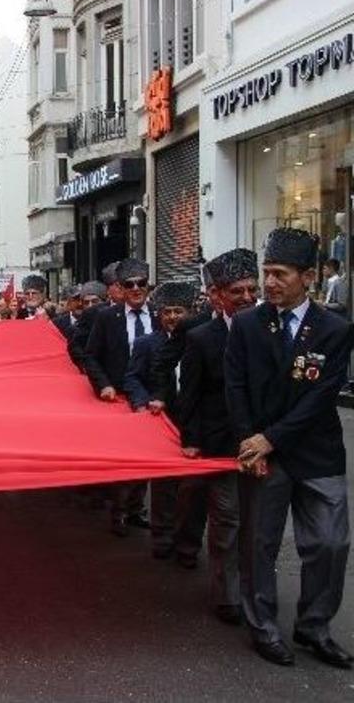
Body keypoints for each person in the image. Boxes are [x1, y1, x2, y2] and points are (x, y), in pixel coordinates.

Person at [226, 228, 354, 668]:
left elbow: (321, 398)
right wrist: (249, 443)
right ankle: (262, 626)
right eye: (267, 273)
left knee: (331, 544)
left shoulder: (335, 330)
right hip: (261, 456)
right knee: (258, 544)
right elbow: (236, 387)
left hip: (316, 453)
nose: (270, 282)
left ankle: (314, 626)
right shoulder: (247, 325)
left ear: (308, 277)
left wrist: (271, 438)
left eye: (280, 273)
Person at [174, 248, 260, 625]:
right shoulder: (201, 338)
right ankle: (228, 597)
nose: (246, 298)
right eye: (237, 291)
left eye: (250, 290)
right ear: (218, 295)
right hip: (219, 445)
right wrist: (190, 438)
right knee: (227, 521)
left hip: (264, 446)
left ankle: (256, 589)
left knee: (257, 524)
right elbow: (188, 395)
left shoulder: (270, 330)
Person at [83, 257, 157, 536]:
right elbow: (91, 356)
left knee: (148, 458)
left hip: (151, 399)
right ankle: (119, 511)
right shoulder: (106, 317)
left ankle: (137, 508)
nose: (136, 289)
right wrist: (103, 385)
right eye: (130, 284)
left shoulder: (161, 315)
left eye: (142, 284)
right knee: (124, 459)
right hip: (118, 398)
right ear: (121, 288)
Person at [122, 279, 196, 551]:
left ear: (189, 312)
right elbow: (132, 379)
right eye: (167, 312)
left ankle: (187, 543)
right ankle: (162, 537)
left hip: (193, 423)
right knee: (164, 485)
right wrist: (145, 402)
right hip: (161, 423)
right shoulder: (145, 344)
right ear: (159, 315)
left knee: (191, 489)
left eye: (178, 311)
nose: (173, 317)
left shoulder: (202, 340)